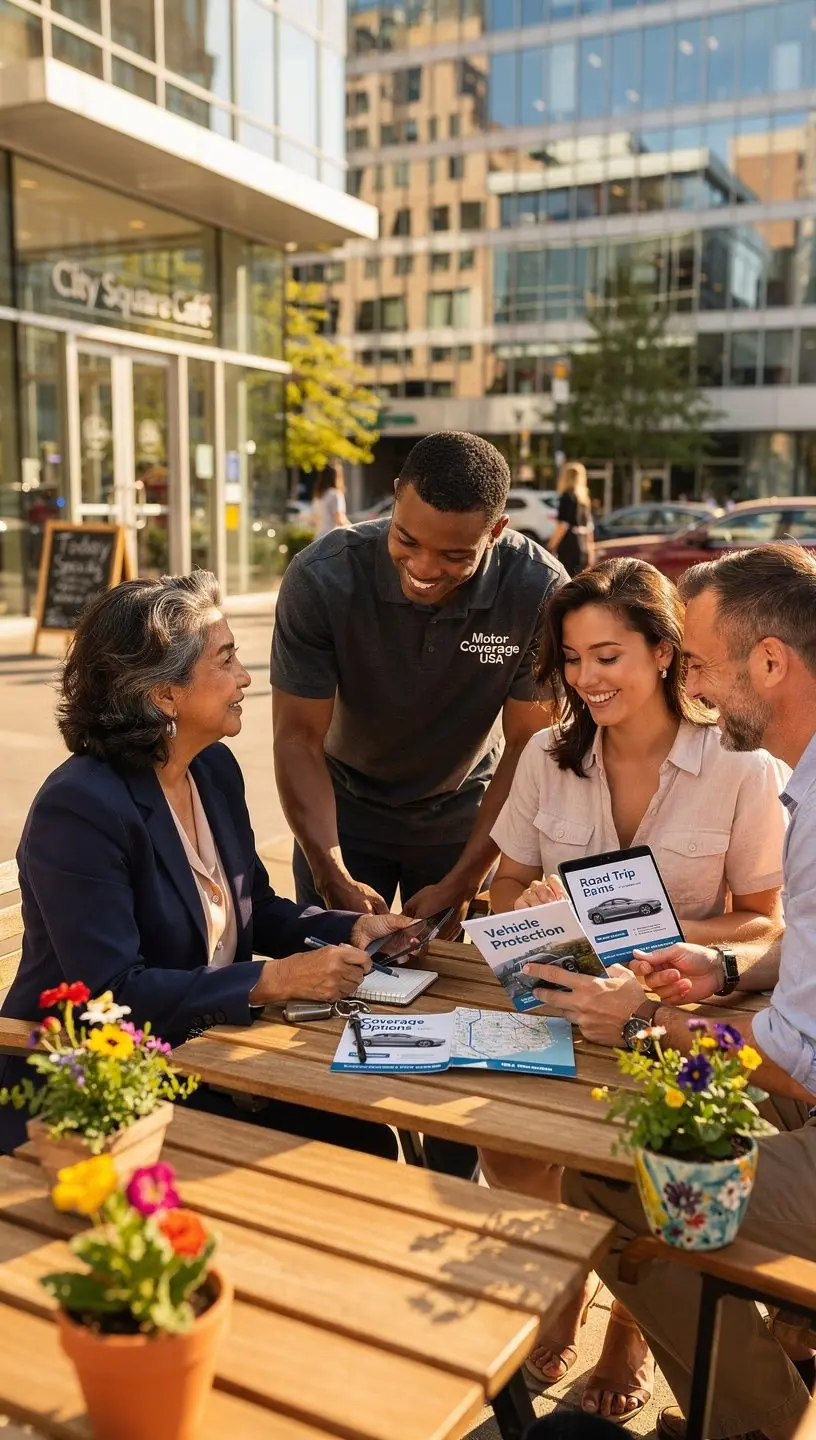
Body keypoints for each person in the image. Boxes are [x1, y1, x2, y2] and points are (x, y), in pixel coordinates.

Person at [484, 557, 787, 1421]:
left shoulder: (739, 760)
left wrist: (656, 939)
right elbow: (504, 888)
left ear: (664, 652)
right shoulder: (548, 751)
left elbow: (763, 923)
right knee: (508, 1146)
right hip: (562, 1004)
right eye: (573, 659)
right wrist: (537, 904)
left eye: (607, 655)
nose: (586, 678)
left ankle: (630, 1328)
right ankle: (575, 1276)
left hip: (677, 1017)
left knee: (634, 1165)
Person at [0, 572, 412, 1160]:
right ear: (163, 695)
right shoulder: (81, 808)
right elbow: (112, 993)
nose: (246, 678)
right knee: (346, 1150)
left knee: (366, 1135)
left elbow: (256, 908)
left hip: (200, 1055)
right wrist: (275, 980)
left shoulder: (212, 769)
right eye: (226, 661)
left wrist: (347, 928)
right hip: (95, 1089)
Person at [271, 430, 566, 1178]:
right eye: (408, 541)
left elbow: (530, 748)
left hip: (463, 819)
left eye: (455, 556)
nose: (425, 569)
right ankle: (348, 1169)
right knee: (335, 1002)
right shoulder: (323, 577)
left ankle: (446, 1175)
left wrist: (470, 875)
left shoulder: (538, 589)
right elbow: (298, 739)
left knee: (456, 1009)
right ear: (392, 501)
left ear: (497, 532)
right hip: (340, 816)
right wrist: (328, 870)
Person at [547, 462, 595, 578]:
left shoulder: (567, 497)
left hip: (569, 546)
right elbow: (589, 528)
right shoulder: (584, 500)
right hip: (582, 545)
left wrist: (550, 546)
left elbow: (563, 525)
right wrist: (591, 551)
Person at [312, 464, 349, 539]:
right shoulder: (335, 494)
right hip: (332, 538)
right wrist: (354, 528)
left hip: (319, 538)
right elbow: (339, 519)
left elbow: (315, 519)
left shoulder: (318, 496)